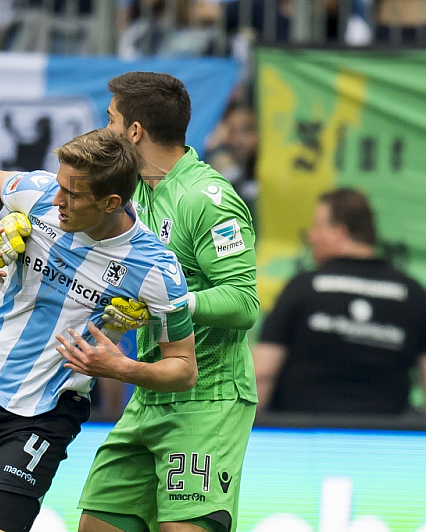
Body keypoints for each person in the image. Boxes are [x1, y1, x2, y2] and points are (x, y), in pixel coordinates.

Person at [0, 128, 196, 532]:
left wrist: (122, 369)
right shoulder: (42, 194)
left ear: (112, 202)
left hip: (44, 416)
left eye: (72, 195)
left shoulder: (157, 270)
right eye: (59, 186)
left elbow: (184, 368)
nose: (57, 200)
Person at [77, 72, 259, 532]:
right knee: (97, 525)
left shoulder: (207, 198)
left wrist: (171, 302)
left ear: (134, 131)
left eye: (111, 120)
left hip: (209, 397)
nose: (105, 131)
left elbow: (243, 302)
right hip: (151, 389)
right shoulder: (137, 194)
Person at [254, 188, 426, 415]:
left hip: (301, 438)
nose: (311, 236)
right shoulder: (411, 293)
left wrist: (254, 437)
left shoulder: (303, 287)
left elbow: (262, 373)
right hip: (385, 440)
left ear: (339, 232)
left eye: (317, 227)